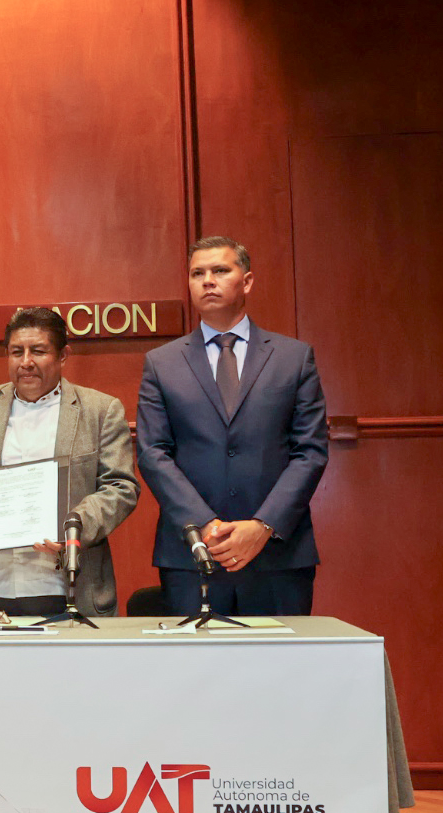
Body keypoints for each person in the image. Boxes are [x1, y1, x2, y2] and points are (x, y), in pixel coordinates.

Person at [137, 236, 329, 615]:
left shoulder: (293, 358)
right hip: (193, 553)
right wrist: (206, 524)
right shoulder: (162, 363)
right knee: (197, 657)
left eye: (220, 270)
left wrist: (262, 526)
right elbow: (152, 453)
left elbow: (310, 451)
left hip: (277, 555)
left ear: (247, 281)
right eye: (197, 273)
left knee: (280, 656)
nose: (208, 280)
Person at [0, 307, 139, 617]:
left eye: (38, 351)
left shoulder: (100, 410)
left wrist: (76, 527)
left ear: (63, 355)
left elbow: (121, 487)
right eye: (16, 352)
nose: (26, 362)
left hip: (67, 587)